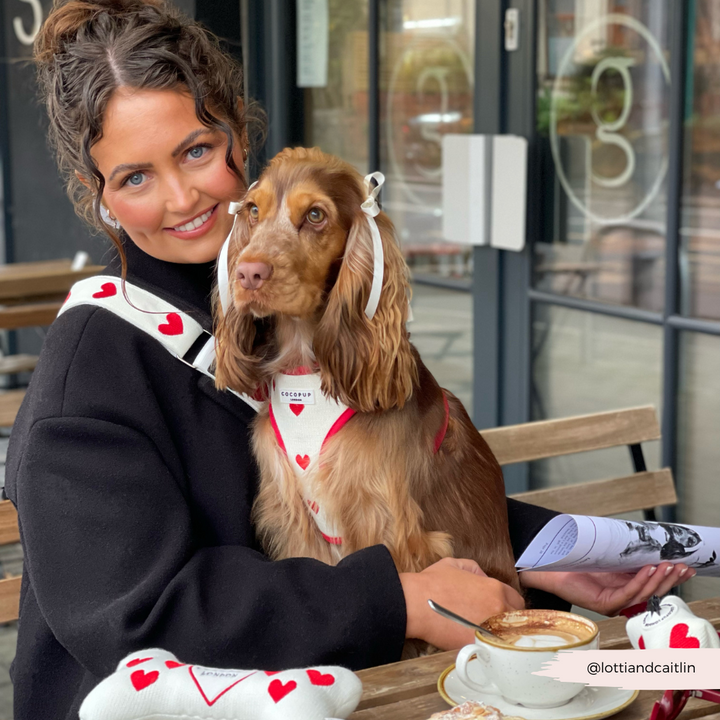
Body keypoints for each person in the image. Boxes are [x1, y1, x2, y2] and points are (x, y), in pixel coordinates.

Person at [5, 1, 692, 718]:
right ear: (99, 196)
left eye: (196, 151)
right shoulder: (88, 377)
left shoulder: (301, 303)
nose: (182, 198)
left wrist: (542, 555)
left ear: (238, 133)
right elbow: (136, 617)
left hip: (326, 685)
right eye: (135, 178)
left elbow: (379, 489)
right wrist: (397, 599)